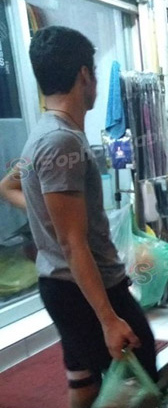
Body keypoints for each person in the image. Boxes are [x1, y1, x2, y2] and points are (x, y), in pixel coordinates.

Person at [0, 26, 157, 408]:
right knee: (141, 374)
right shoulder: (61, 143)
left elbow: (9, 184)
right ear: (85, 75)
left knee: (83, 383)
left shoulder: (43, 134)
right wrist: (107, 319)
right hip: (87, 288)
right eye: (95, 75)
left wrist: (44, 216)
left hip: (63, 286)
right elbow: (73, 242)